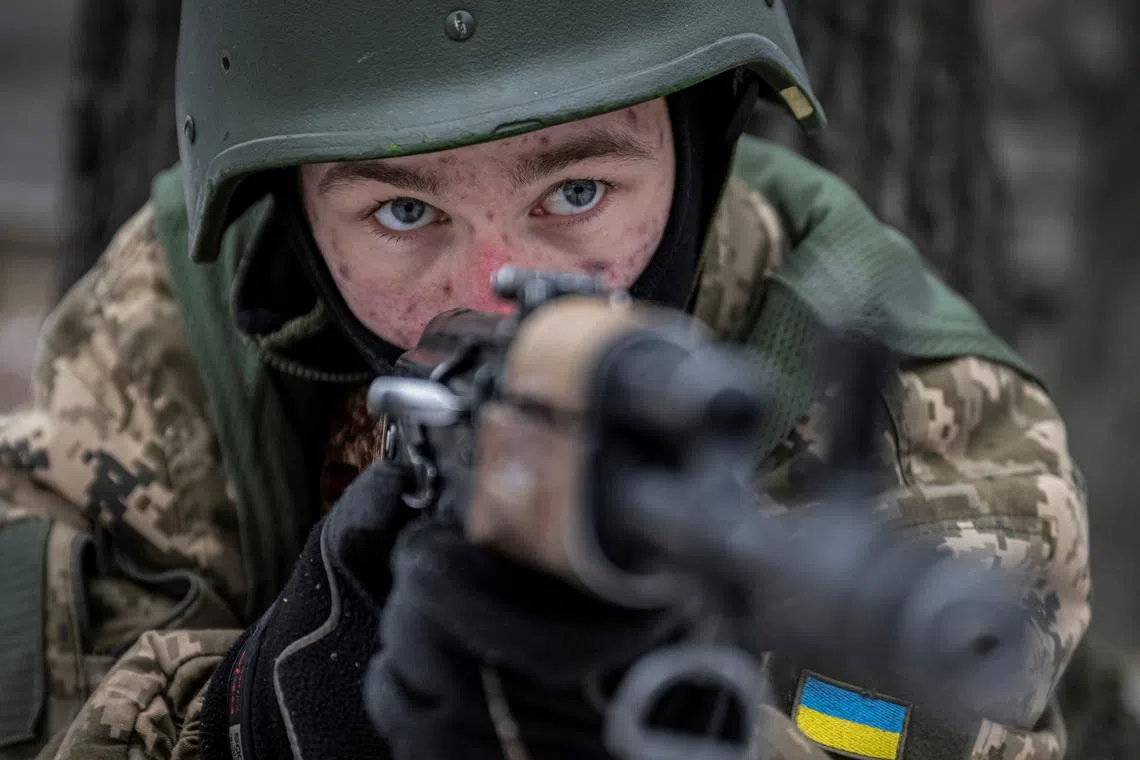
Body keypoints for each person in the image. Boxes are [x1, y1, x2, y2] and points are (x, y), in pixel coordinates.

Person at [0, 1, 1089, 758]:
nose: (494, 284)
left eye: (575, 193)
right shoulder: (178, 318)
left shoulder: (935, 423)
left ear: (699, 143)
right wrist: (264, 715)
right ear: (291, 205)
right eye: (403, 212)